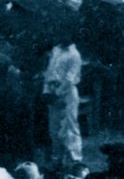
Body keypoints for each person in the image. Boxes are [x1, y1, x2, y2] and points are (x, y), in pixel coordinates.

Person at [43, 28, 83, 168]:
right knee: (54, 127)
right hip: (52, 91)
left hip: (67, 93)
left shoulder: (74, 55)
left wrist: (59, 93)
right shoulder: (56, 50)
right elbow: (49, 71)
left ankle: (74, 158)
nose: (61, 36)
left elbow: (70, 78)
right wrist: (47, 91)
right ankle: (57, 157)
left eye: (65, 34)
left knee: (69, 126)